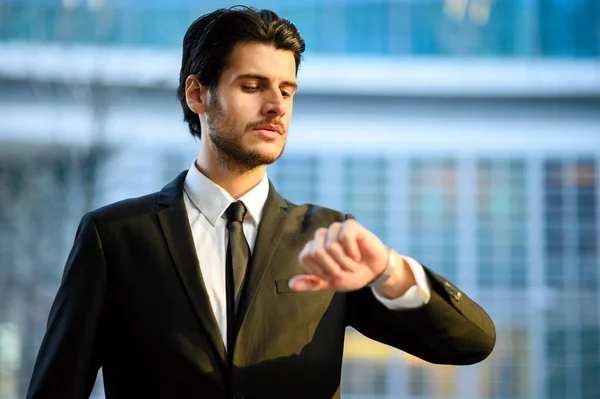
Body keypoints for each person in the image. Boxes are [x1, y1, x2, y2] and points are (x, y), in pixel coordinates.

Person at [26, 6, 495, 399]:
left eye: (286, 90)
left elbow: (471, 342)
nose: (276, 106)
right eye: (252, 87)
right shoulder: (115, 237)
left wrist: (389, 271)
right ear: (198, 94)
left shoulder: (329, 242)